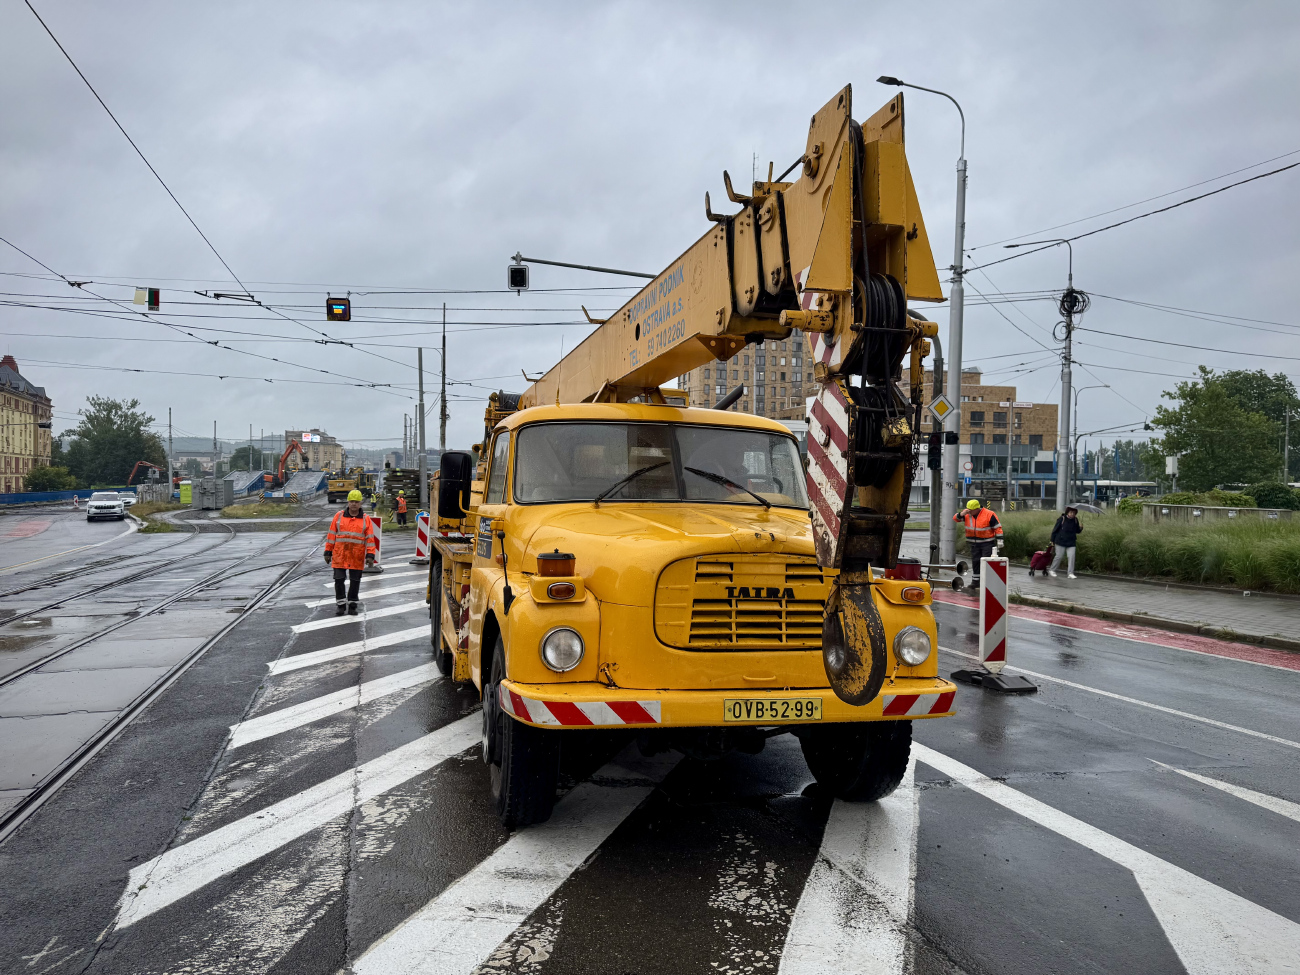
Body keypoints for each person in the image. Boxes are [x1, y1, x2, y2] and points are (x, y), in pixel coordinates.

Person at [325, 489, 377, 615]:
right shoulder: (338, 516)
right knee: (339, 579)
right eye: (352, 501)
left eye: (356, 502)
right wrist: (328, 551)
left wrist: (370, 555)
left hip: (356, 556)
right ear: (348, 502)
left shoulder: (366, 519)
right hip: (339, 555)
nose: (354, 504)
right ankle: (341, 604)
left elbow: (370, 538)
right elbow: (331, 535)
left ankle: (353, 604)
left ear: (360, 503)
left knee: (355, 581)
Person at [953, 498, 1003, 581]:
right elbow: (956, 519)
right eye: (968, 510)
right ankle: (976, 581)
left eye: (971, 510)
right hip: (974, 543)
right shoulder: (967, 514)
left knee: (986, 562)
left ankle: (987, 581)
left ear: (977, 509)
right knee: (975, 561)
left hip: (987, 543)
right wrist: (961, 513)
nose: (969, 512)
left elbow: (997, 528)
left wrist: (1000, 540)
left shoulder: (989, 514)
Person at [1049, 506, 1083, 579]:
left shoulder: (1075, 520)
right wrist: (1052, 540)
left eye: (1074, 513)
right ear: (1067, 512)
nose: (1072, 514)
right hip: (1060, 541)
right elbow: (1055, 530)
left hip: (1071, 542)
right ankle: (1052, 570)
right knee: (1059, 556)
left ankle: (1070, 573)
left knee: (1071, 557)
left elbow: (1077, 531)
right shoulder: (1062, 519)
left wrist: (1081, 528)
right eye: (1071, 512)